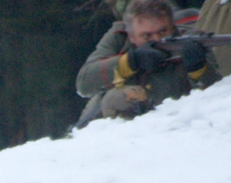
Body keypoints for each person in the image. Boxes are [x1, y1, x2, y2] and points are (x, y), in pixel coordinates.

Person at [75, 0, 221, 128]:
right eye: (147, 35)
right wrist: (130, 62)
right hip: (122, 130)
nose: (157, 39)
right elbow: (84, 83)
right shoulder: (118, 40)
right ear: (131, 36)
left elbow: (219, 94)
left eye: (163, 31)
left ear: (173, 28)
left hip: (178, 125)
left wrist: (198, 68)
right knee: (116, 97)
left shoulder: (191, 40)